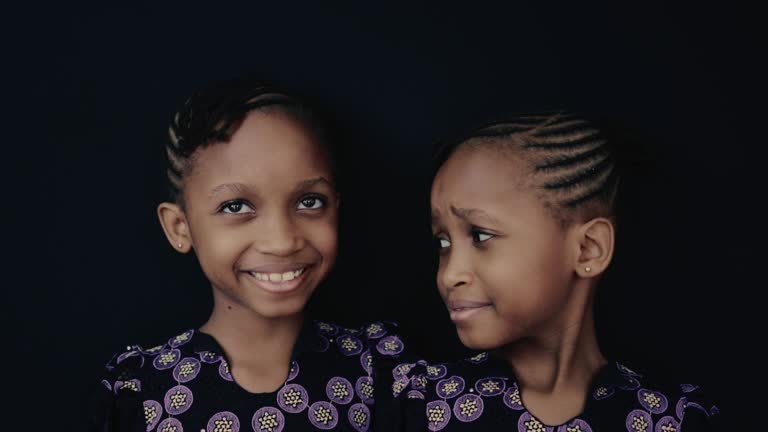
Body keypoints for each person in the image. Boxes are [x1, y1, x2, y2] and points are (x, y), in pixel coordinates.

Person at [87, 77, 408, 432]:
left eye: (309, 202)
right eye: (236, 206)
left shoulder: (379, 370)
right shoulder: (141, 390)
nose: (282, 240)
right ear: (181, 227)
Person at [396, 112, 720, 431]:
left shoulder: (675, 420)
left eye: (481, 235)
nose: (450, 275)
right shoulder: (418, 405)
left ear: (588, 248)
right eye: (443, 241)